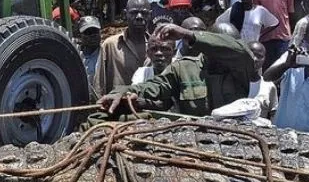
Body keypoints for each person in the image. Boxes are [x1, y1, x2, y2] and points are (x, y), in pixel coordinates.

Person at [98, 24, 256, 116]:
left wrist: (189, 34)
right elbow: (155, 86)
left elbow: (241, 52)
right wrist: (125, 91)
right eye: (218, 50)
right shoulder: (184, 68)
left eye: (225, 51)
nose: (223, 56)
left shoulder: (241, 67)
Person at [94, 0, 152, 95]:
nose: (139, 17)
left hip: (149, 108)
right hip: (117, 108)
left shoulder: (157, 48)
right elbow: (99, 85)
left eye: (144, 13)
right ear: (125, 14)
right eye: (134, 13)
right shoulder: (110, 45)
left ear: (150, 15)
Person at [254, 0, 295, 68]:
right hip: (266, 37)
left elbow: (290, 13)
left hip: (283, 36)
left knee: (283, 66)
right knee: (267, 67)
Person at [247, 41, 279, 118]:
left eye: (259, 56)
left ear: (264, 59)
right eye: (251, 54)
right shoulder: (233, 81)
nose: (255, 59)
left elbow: (273, 114)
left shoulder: (269, 86)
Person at [76, 16, 102, 100]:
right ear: (80, 36)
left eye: (95, 32)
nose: (92, 36)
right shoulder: (76, 56)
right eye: (88, 32)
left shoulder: (107, 53)